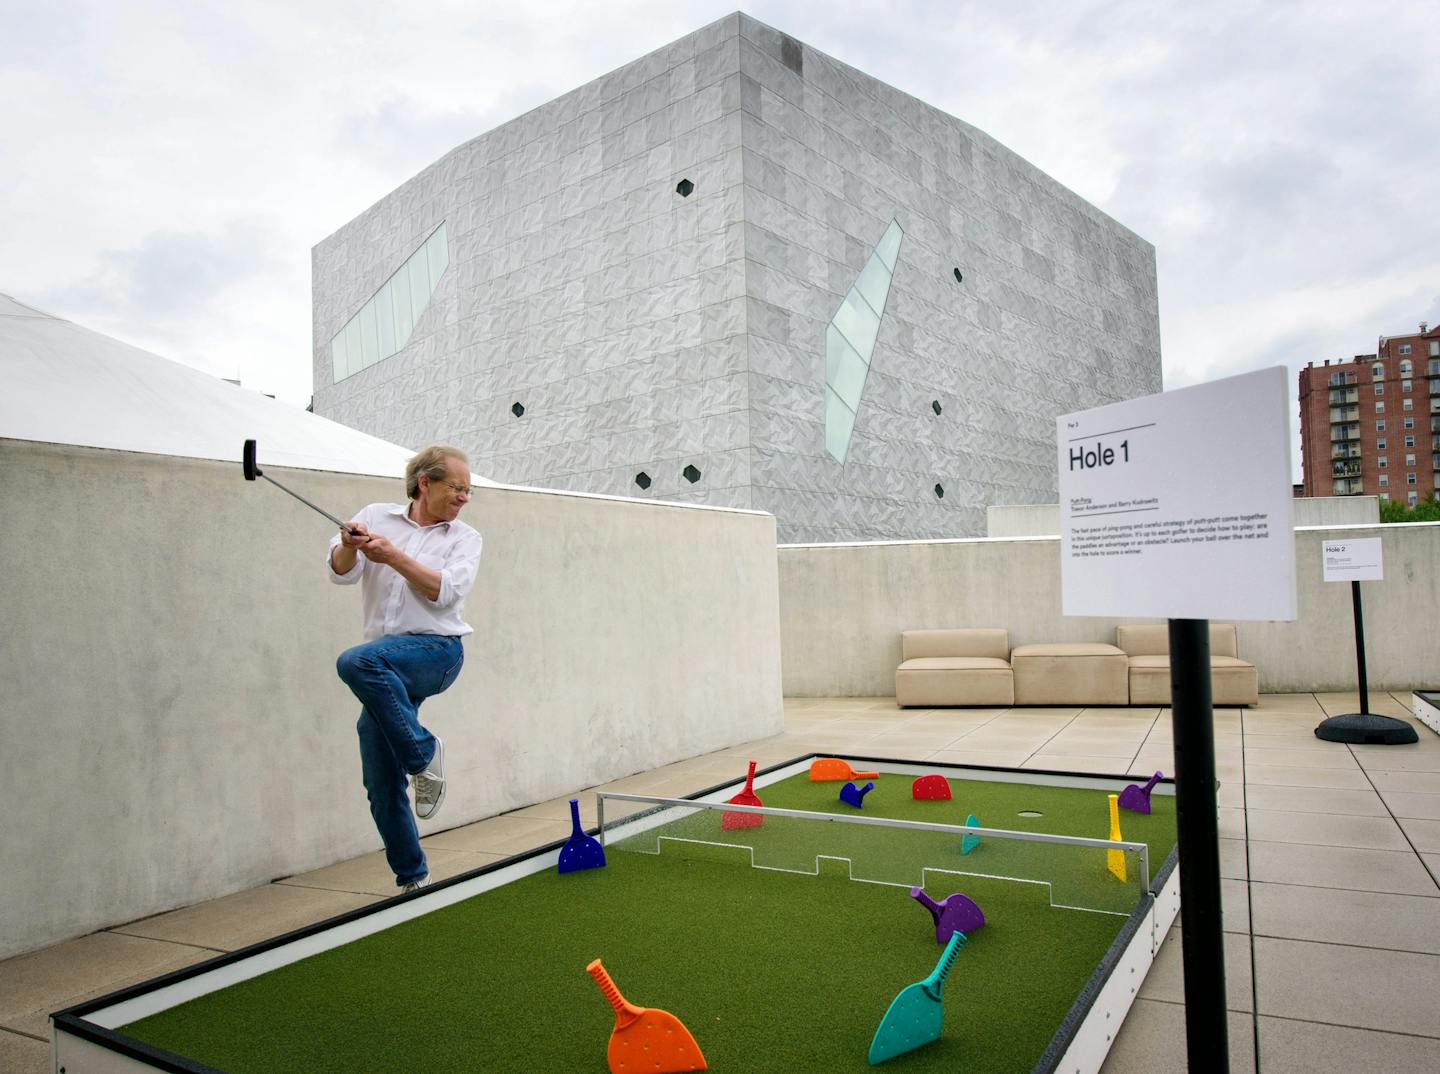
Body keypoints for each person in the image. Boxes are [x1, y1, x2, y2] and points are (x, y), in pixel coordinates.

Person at [327, 445, 483, 892]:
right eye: (457, 487)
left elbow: (445, 593)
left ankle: (423, 755)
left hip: (436, 652)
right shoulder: (375, 515)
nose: (464, 498)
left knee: (354, 660)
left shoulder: (464, 538)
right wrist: (347, 544)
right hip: (386, 665)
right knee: (379, 780)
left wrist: (392, 556)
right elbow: (340, 572)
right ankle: (413, 877)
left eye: (468, 490)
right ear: (425, 483)